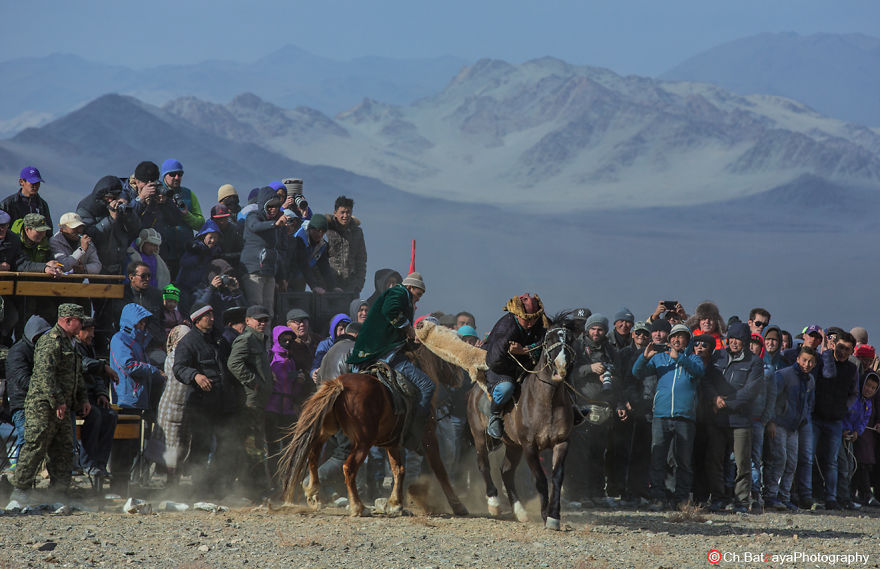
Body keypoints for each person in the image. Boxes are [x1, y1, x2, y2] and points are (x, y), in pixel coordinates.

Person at [10, 304, 89, 503]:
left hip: (63, 406)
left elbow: (77, 375)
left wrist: (83, 399)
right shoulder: (50, 342)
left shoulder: (72, 343)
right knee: (35, 446)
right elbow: (45, 376)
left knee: (63, 450)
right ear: (67, 320)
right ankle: (20, 490)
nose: (82, 324)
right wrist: (58, 401)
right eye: (79, 320)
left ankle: (59, 493)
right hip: (43, 406)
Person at [347, 272, 434, 450]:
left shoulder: (403, 296)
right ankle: (413, 434)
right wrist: (408, 328)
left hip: (370, 352)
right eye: (418, 294)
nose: (418, 299)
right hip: (384, 352)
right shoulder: (399, 293)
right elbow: (390, 310)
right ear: (410, 287)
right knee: (427, 386)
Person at [632, 323, 705, 511]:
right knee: (658, 458)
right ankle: (657, 497)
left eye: (681, 337)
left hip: (685, 417)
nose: (676, 340)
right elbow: (636, 373)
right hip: (661, 415)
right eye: (673, 336)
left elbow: (699, 373)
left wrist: (680, 358)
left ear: (687, 340)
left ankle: (681, 499)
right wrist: (644, 357)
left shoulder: (694, 359)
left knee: (684, 461)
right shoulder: (660, 358)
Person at [172, 302, 237, 496]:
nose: (212, 318)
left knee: (226, 444)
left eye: (212, 314)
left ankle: (217, 485)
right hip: (201, 404)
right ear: (197, 320)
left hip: (223, 402)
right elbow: (179, 368)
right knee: (202, 445)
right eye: (207, 315)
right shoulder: (188, 342)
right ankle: (198, 486)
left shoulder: (219, 339)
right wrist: (195, 376)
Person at [705, 322, 764, 512]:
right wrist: (714, 398)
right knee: (715, 460)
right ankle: (718, 498)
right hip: (717, 418)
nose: (734, 342)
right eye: (731, 338)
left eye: (738, 339)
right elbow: (706, 380)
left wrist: (725, 403)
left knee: (742, 462)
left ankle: (741, 501)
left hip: (741, 419)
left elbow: (750, 391)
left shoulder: (754, 362)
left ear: (745, 341)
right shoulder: (717, 356)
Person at [481, 294, 549, 440]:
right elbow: (494, 361)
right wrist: (518, 367)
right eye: (527, 320)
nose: (531, 324)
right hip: (501, 368)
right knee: (506, 388)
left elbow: (547, 341)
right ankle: (494, 415)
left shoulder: (541, 321)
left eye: (533, 319)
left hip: (527, 364)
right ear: (517, 315)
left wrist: (524, 350)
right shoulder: (505, 328)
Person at [569, 313, 619, 507]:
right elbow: (569, 372)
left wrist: (612, 379)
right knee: (579, 454)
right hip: (581, 406)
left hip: (603, 407)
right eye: (593, 328)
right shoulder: (578, 347)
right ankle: (576, 495)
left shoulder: (610, 349)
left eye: (600, 329)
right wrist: (590, 368)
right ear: (587, 329)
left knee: (599, 453)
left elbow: (620, 375)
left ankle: (597, 493)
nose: (596, 332)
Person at [227, 305, 275, 498]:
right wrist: (253, 382)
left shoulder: (258, 340)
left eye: (265, 320)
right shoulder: (246, 339)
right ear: (247, 321)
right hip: (250, 402)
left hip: (258, 401)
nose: (262, 323)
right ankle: (254, 489)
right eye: (258, 320)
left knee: (254, 445)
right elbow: (233, 363)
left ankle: (253, 487)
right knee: (253, 447)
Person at [763, 347, 818, 510]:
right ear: (798, 359)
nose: (807, 364)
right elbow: (772, 397)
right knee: (779, 459)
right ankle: (770, 495)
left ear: (814, 364)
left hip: (794, 428)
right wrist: (771, 421)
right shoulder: (784, 375)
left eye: (811, 362)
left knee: (792, 463)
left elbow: (809, 403)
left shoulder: (810, 380)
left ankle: (784, 496)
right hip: (778, 424)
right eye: (804, 360)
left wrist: (802, 420)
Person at [811, 331, 859, 509]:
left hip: (835, 420)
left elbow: (854, 393)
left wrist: (844, 408)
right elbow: (820, 379)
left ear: (852, 351)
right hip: (816, 417)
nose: (843, 352)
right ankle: (808, 495)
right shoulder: (823, 361)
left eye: (847, 349)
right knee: (809, 458)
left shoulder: (852, 369)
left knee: (832, 461)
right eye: (840, 347)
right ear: (834, 345)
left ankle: (831, 497)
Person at [5, 315, 52, 469]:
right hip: (21, 404)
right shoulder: (17, 352)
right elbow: (22, 380)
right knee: (27, 437)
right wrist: (48, 388)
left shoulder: (43, 351)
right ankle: (20, 471)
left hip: (42, 403)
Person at [73, 317, 118, 478]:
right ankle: (88, 462)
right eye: (89, 330)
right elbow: (84, 365)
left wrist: (102, 393)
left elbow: (98, 377)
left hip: (92, 396)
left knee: (111, 415)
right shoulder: (73, 346)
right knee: (95, 415)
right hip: (77, 396)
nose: (92, 334)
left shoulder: (89, 347)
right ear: (79, 331)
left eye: (93, 330)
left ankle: (100, 463)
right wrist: (103, 366)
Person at [241, 187, 286, 316]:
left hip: (269, 272)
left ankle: (267, 337)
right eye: (270, 205)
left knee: (268, 311)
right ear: (263, 205)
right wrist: (275, 225)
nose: (274, 209)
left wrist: (282, 277)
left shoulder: (276, 223)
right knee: (256, 309)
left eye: (277, 206)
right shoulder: (253, 216)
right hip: (253, 272)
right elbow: (255, 226)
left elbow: (277, 251)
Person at [86, 176, 142, 276]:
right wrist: (111, 219)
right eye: (108, 197)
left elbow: (136, 230)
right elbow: (90, 234)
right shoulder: (87, 207)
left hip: (120, 260)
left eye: (114, 196)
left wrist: (128, 213)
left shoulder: (119, 205)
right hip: (98, 264)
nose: (111, 200)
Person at [176, 219, 223, 308]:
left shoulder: (214, 250)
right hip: (184, 286)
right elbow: (183, 262)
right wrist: (198, 258)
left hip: (199, 287)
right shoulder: (194, 247)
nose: (213, 240)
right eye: (211, 237)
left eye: (216, 237)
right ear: (204, 236)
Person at [325, 196, 367, 295]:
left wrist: (359, 285)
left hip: (351, 285)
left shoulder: (357, 232)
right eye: (342, 212)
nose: (345, 215)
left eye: (348, 212)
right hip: (330, 283)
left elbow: (361, 259)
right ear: (335, 213)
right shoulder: (327, 230)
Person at [291, 214, 340, 294]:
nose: (319, 234)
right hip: (288, 275)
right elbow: (303, 263)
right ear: (310, 229)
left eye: (323, 231)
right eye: (317, 230)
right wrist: (314, 286)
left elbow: (324, 267)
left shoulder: (322, 245)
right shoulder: (299, 239)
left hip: (301, 277)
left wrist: (333, 287)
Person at [158, 159, 204, 232]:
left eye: (179, 174)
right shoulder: (156, 193)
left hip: (186, 242)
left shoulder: (189, 194)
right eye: (172, 174)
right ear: (164, 175)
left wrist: (186, 215)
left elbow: (201, 224)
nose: (177, 177)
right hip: (161, 241)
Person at [1, 166, 52, 231]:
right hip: (14, 240)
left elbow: (49, 230)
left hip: (37, 241)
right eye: (32, 183)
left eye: (37, 183)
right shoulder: (7, 204)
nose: (35, 186)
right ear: (21, 182)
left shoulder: (42, 205)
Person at [311, 313, 352, 380]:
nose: (344, 333)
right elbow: (316, 365)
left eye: (346, 329)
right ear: (334, 331)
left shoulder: (352, 344)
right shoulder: (325, 345)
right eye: (340, 329)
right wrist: (314, 373)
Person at [286, 308, 321, 378]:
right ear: (288, 325)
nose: (302, 324)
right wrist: (295, 375)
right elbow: (282, 371)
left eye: (304, 321)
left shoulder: (318, 340)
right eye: (297, 322)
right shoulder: (286, 344)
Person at [210, 204, 244, 270]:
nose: (222, 222)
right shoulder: (207, 231)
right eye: (218, 219)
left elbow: (243, 252)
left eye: (224, 218)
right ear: (212, 219)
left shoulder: (235, 230)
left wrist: (224, 256)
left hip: (233, 266)